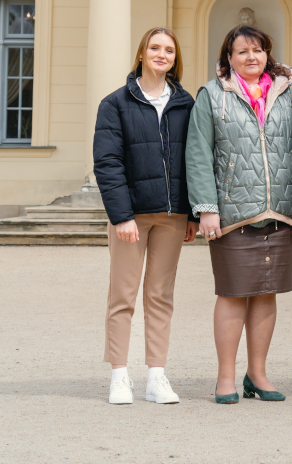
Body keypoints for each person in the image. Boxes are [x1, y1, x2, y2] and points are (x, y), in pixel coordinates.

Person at [185, 25, 292, 404]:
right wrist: (207, 209)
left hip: (280, 212)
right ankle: (225, 377)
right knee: (232, 294)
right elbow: (198, 154)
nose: (251, 57)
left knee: (265, 293)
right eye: (242, 51)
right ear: (228, 58)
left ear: (267, 55)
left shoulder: (286, 96)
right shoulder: (211, 96)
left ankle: (257, 374)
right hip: (232, 214)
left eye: (257, 50)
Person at [94, 27, 198, 405]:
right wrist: (121, 215)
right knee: (122, 295)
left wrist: (193, 214)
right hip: (132, 216)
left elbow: (195, 160)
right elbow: (107, 163)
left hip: (172, 215)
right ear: (141, 53)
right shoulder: (115, 103)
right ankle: (119, 376)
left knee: (160, 295)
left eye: (168, 49)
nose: (161, 54)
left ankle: (156, 376)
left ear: (175, 58)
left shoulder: (186, 103)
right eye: (155, 47)